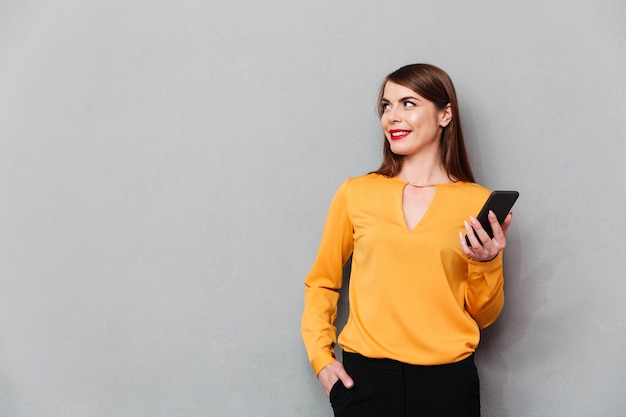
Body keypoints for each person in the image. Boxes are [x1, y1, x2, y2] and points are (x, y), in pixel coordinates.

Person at [300, 63, 513, 417]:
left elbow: (483, 316)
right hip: (364, 381)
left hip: (448, 386)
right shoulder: (357, 192)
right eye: (386, 106)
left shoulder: (476, 201)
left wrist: (486, 263)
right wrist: (321, 360)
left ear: (445, 114)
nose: (392, 117)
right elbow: (322, 282)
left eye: (408, 103)